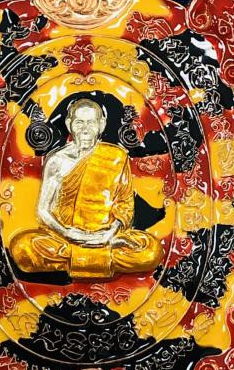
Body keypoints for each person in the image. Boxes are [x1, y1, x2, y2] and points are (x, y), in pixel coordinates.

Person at [10, 98, 163, 279]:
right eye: (79, 122)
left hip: (106, 235)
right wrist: (67, 233)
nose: (85, 129)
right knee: (22, 248)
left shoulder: (116, 157)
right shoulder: (56, 161)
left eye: (91, 123)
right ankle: (100, 257)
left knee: (152, 251)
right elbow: (43, 210)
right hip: (64, 237)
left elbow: (125, 205)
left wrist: (109, 234)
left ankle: (78, 258)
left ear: (101, 125)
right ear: (69, 124)